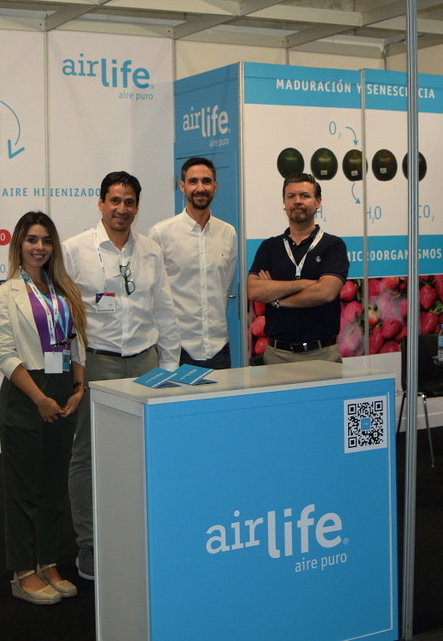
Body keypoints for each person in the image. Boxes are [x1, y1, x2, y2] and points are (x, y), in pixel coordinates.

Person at [63, 170, 180, 581]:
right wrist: (74, 370)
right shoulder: (74, 250)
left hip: (145, 364)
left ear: (137, 207)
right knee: (87, 454)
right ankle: (90, 542)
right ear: (100, 203)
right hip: (97, 363)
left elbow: (164, 308)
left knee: (146, 450)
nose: (121, 209)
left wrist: (169, 366)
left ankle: (140, 530)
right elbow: (66, 315)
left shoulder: (150, 250)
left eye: (129, 202)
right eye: (114, 200)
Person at [0, 211, 88, 606]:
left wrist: (78, 388)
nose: (39, 247)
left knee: (52, 486)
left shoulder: (65, 291)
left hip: (63, 390)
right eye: (32, 239)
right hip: (26, 395)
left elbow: (77, 345)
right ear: (19, 244)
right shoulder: (4, 294)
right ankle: (22, 571)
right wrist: (40, 399)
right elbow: (4, 355)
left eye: (46, 240)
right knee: (23, 490)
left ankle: (47, 562)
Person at [247, 172, 349, 363]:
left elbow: (326, 292)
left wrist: (277, 300)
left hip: (322, 355)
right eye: (291, 196)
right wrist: (304, 284)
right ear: (284, 203)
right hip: (277, 355)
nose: (297, 201)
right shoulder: (269, 247)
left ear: (318, 202)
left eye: (305, 196)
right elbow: (254, 290)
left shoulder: (333, 246)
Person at [149, 157, 238, 371]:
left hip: (218, 348)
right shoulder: (160, 234)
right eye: (193, 181)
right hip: (176, 350)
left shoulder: (228, 232)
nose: (200, 188)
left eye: (206, 181)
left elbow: (224, 287)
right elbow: (152, 294)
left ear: (215, 186)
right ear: (182, 186)